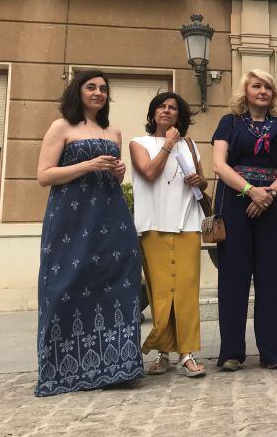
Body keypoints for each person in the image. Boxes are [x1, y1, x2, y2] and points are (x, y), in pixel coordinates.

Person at [36, 70, 143, 396]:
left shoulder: (114, 130)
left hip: (111, 220)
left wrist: (118, 171)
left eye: (103, 89)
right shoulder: (61, 127)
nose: (98, 92)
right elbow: (44, 175)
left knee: (116, 283)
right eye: (91, 87)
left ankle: (120, 365)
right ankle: (64, 370)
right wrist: (88, 165)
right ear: (77, 91)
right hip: (71, 219)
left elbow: (111, 174)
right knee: (64, 285)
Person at [212, 69, 277, 371]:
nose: (262, 91)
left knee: (273, 278)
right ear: (245, 91)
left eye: (267, 86)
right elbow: (219, 165)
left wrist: (269, 194)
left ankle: (273, 353)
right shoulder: (229, 123)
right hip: (235, 201)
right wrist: (251, 192)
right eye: (256, 86)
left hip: (274, 203)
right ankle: (231, 353)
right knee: (233, 277)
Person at [130, 92, 208, 377]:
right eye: (161, 106)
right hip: (153, 223)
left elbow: (202, 184)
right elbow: (149, 172)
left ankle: (186, 353)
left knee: (187, 290)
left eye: (173, 107)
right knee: (161, 293)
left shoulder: (190, 145)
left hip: (187, 221)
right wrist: (168, 144)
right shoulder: (139, 143)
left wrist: (200, 180)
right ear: (152, 114)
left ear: (180, 115)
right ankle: (164, 352)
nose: (167, 110)